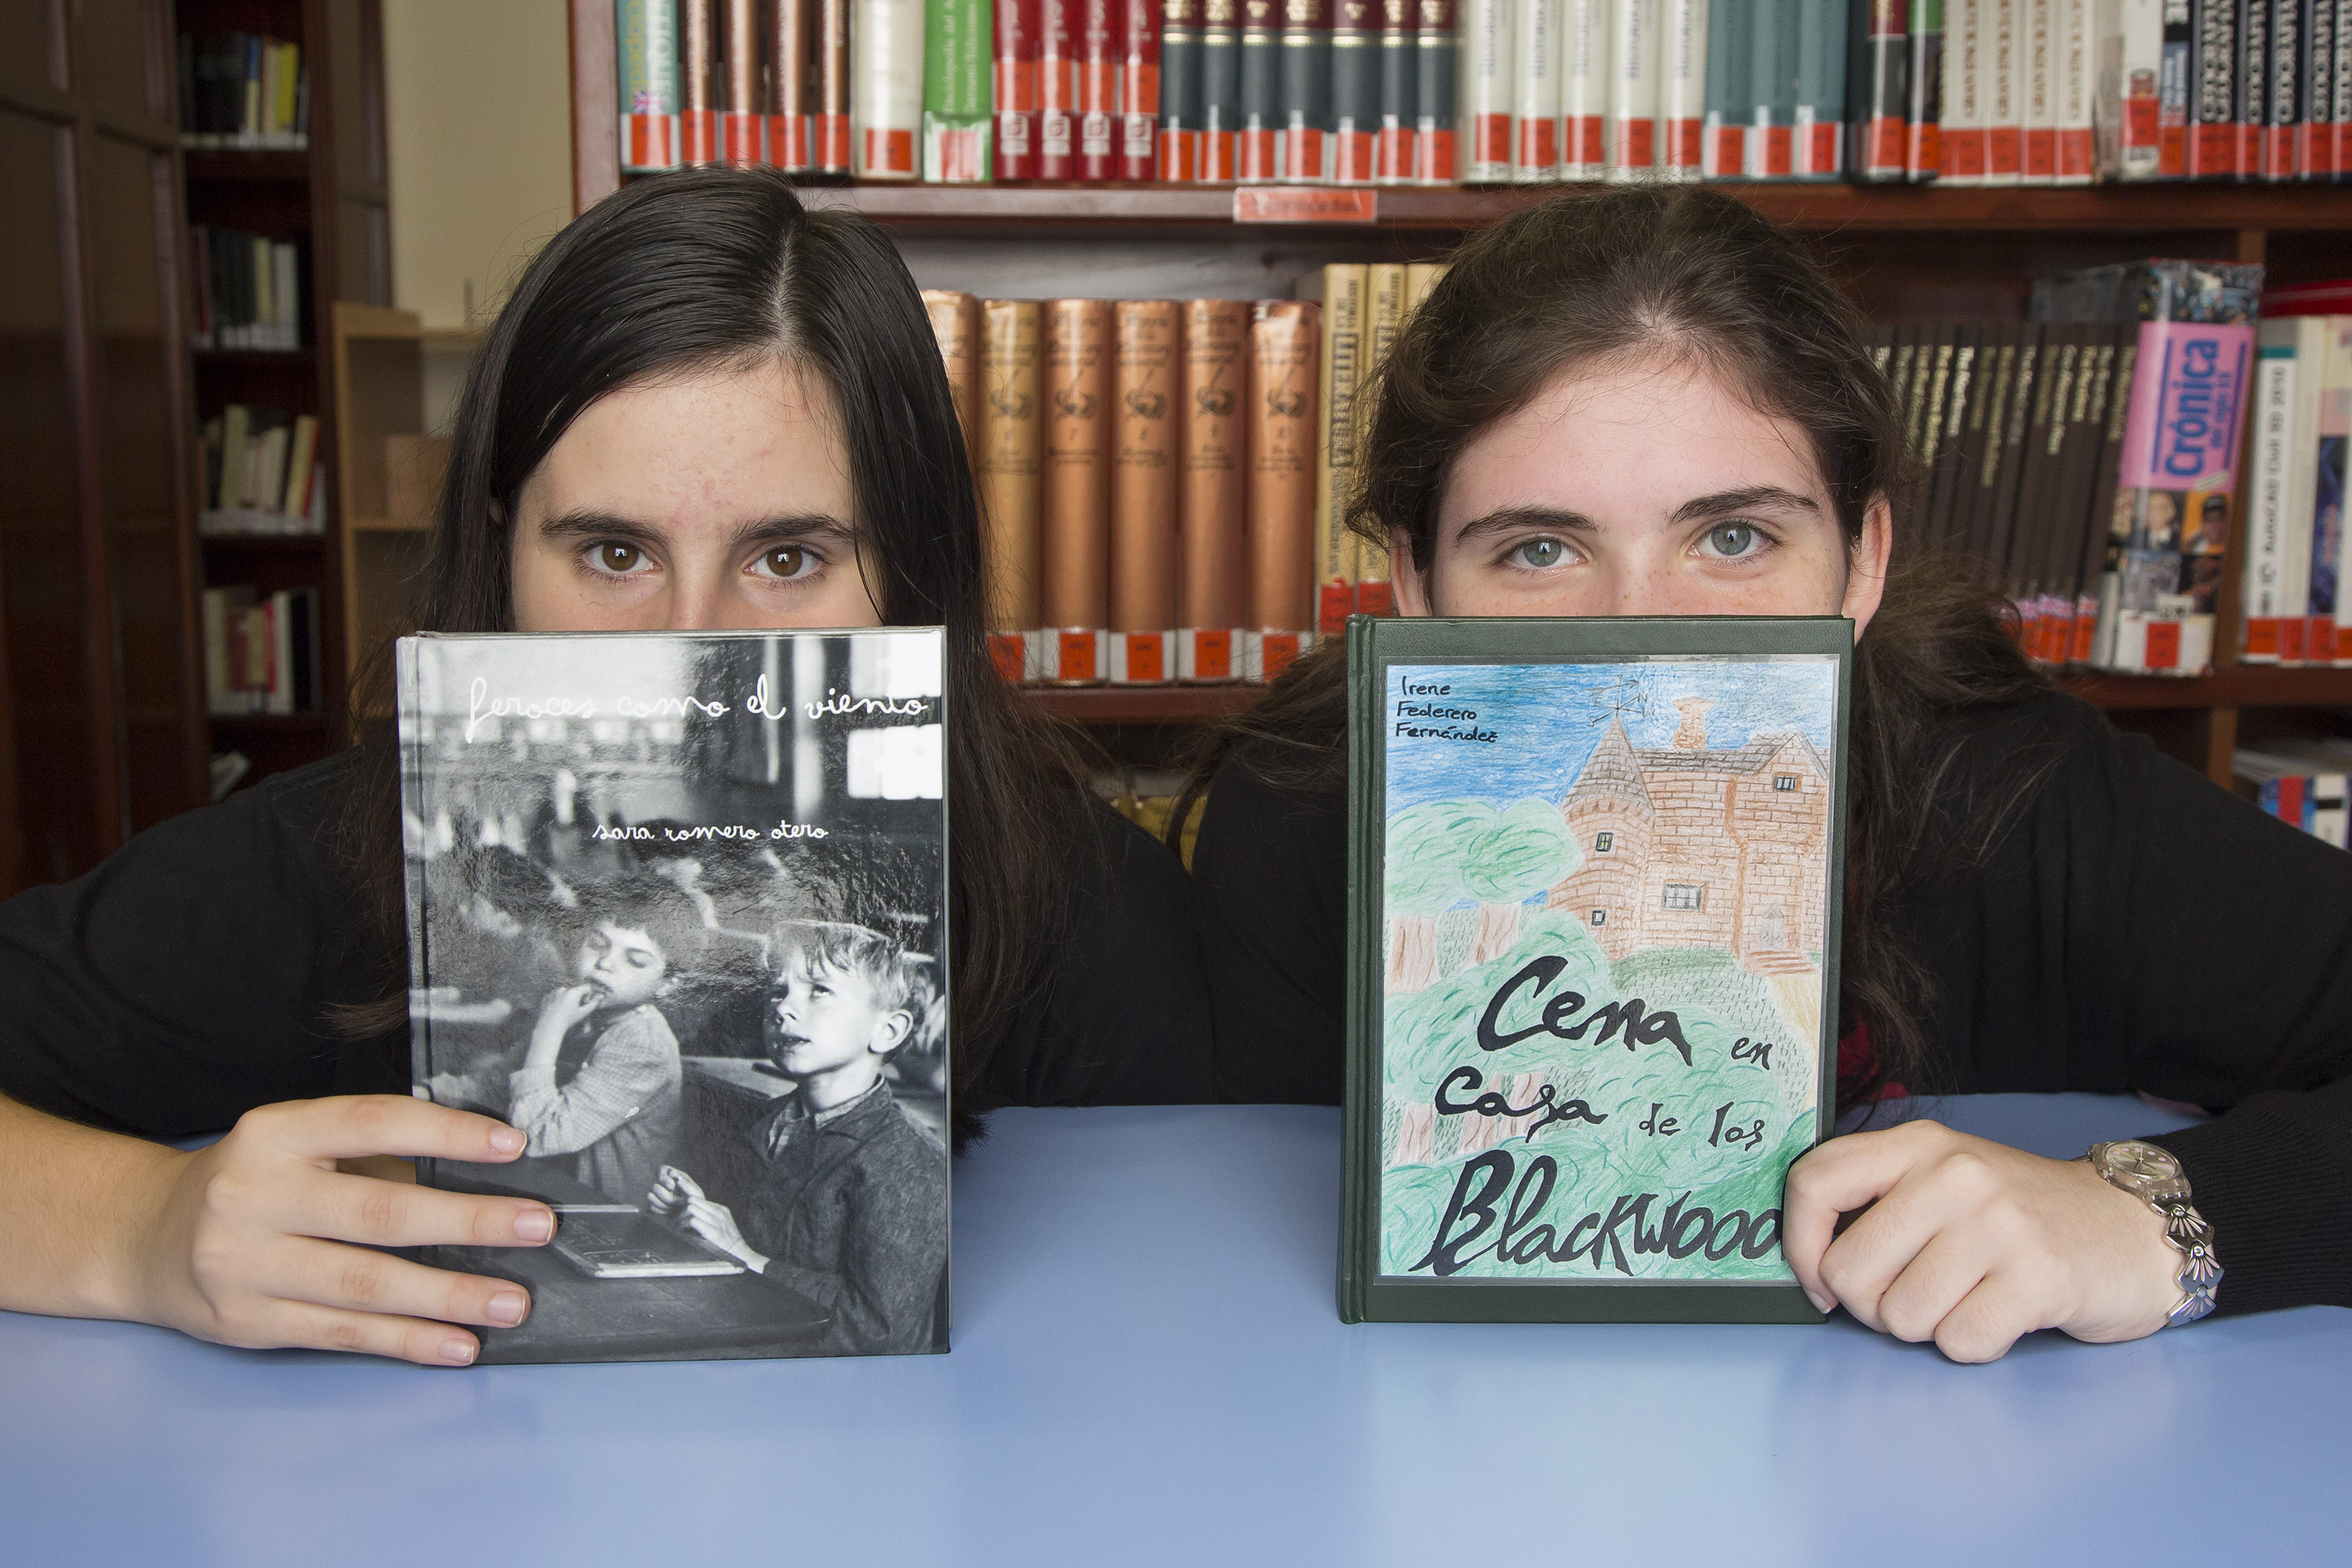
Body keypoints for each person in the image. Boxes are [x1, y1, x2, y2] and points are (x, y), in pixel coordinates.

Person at [0, 167, 1212, 1368]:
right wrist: (141, 1229)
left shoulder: (1094, 910)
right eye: (614, 552)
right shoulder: (317, 857)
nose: (691, 649)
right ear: (501, 552)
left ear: (911, 575)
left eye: (787, 558)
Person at [1180, 185, 2352, 1363]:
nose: (1641, 630)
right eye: (1539, 549)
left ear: (1860, 562)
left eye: (1731, 538)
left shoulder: (2018, 789)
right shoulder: (1302, 810)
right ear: (1416, 586)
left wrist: (2155, 1218)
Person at [651, 920, 949, 1355]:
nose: (783, 1009)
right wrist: (689, 1218)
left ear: (887, 1030)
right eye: (777, 991)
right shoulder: (767, 1122)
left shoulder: (912, 1165)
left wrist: (747, 1258)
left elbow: (879, 1332)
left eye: (819, 990)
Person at [499, 874, 707, 1204]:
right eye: (597, 944)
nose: (605, 963)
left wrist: (548, 1030)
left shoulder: (643, 1043)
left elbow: (537, 1136)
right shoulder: (579, 1010)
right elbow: (497, 1084)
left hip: (605, 1212)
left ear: (669, 984)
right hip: (551, 1188)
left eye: (635, 960)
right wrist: (429, 1092)